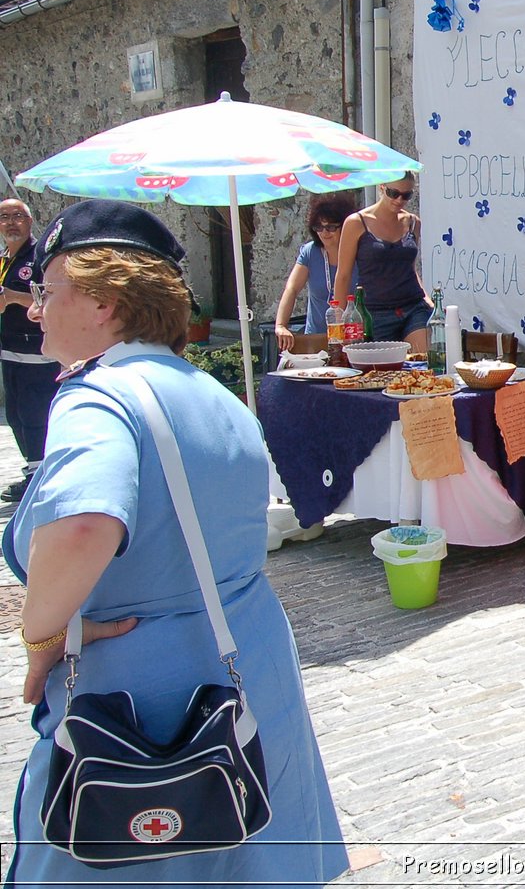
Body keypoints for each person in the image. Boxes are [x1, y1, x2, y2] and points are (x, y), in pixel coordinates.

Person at [3, 200, 348, 885]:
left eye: (49, 291)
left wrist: (41, 636)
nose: (35, 308)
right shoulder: (211, 394)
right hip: (248, 664)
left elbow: (81, 525)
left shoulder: (98, 397)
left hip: (144, 698)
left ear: (104, 302)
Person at [0, 199, 59, 502]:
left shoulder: (38, 258)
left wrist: (12, 297)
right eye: (4, 217)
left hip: (36, 352)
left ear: (30, 221)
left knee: (36, 416)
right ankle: (32, 473)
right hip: (8, 351)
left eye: (17, 216)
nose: (11, 222)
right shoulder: (3, 259)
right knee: (16, 417)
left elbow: (49, 298)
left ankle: (41, 477)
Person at [332, 172, 428, 351]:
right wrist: (340, 322)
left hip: (413, 306)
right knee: (380, 371)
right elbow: (343, 275)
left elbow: (409, 269)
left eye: (406, 195)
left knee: (422, 363)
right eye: (394, 193)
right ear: (382, 187)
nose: (399, 200)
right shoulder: (356, 222)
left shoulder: (413, 222)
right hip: (374, 312)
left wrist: (429, 300)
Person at [272, 192, 359, 348]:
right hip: (316, 338)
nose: (324, 233)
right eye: (319, 227)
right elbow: (292, 289)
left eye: (331, 227)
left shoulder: (359, 252)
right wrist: (281, 325)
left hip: (353, 338)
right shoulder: (310, 252)